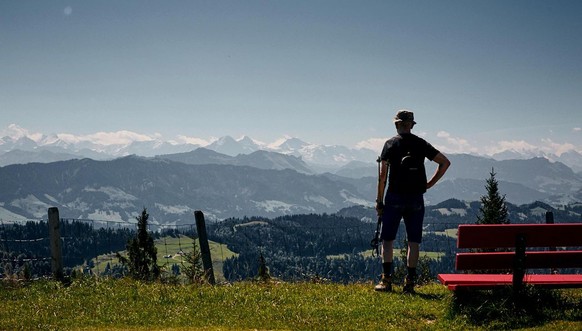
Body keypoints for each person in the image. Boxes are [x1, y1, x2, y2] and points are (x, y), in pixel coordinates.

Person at [374, 110, 450, 293]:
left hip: (394, 197)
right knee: (413, 241)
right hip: (416, 197)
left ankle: (386, 280)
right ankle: (409, 283)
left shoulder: (390, 144)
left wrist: (379, 200)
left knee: (387, 239)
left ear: (396, 124)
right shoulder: (420, 143)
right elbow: (445, 162)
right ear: (411, 125)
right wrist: (428, 184)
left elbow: (382, 175)